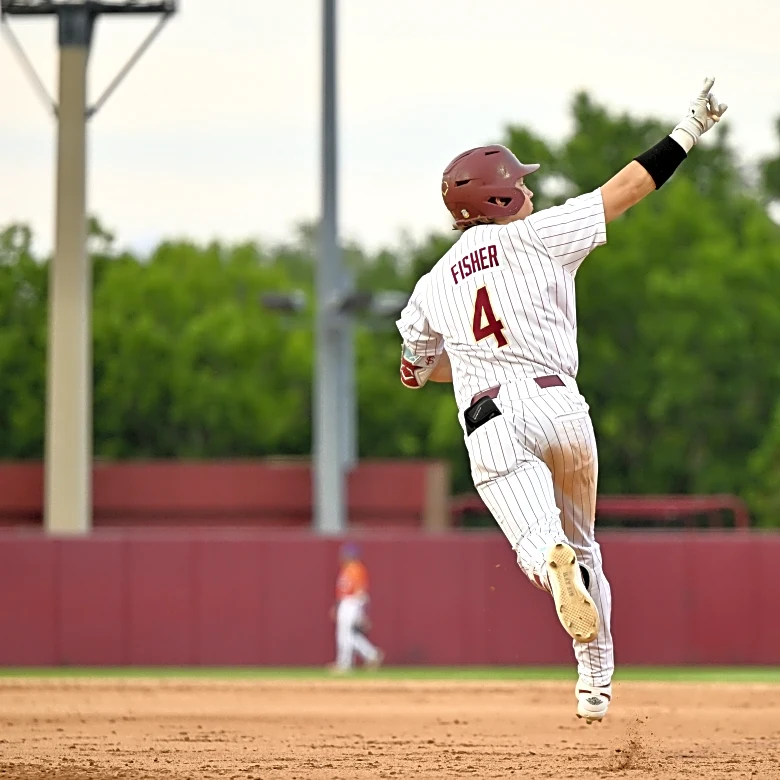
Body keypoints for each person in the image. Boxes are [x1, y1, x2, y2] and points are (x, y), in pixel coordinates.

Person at [395, 78, 728, 722]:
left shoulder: (432, 285)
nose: (526, 188)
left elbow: (418, 370)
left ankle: (550, 563)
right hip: (561, 407)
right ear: (500, 194)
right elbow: (628, 186)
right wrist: (689, 128)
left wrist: (457, 360)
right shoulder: (541, 234)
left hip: (491, 414)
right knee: (587, 542)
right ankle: (595, 679)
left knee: (540, 542)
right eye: (516, 182)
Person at [329, 542, 384, 673]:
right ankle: (372, 654)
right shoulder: (346, 569)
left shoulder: (357, 568)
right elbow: (342, 591)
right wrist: (337, 606)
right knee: (347, 634)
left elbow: (361, 591)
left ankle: (345, 664)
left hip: (353, 603)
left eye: (346, 554)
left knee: (345, 634)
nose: (343, 556)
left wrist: (363, 612)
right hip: (346, 602)